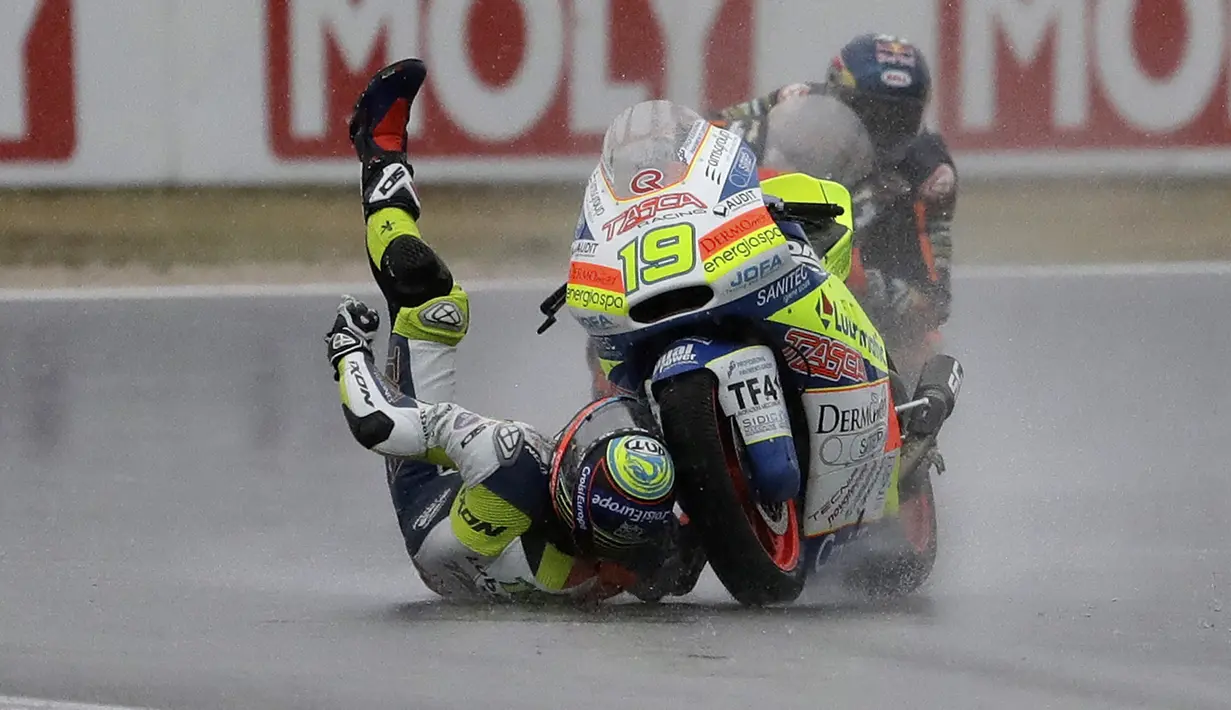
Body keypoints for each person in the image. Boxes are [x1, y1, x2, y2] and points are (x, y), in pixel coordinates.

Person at [324, 60, 703, 603]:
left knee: (434, 305)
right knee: (431, 299)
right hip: (461, 528)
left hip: (453, 531)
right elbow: (379, 423)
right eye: (619, 558)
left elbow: (377, 422)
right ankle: (381, 156)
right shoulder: (516, 461)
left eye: (629, 555)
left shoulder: (531, 470)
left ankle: (379, 156)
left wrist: (347, 349)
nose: (620, 573)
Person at [707, 33, 956, 380]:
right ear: (836, 95)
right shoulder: (792, 103)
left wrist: (865, 281)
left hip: (861, 307)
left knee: (918, 348)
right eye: (868, 111)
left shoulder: (930, 174)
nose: (879, 128)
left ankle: (905, 427)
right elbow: (709, 135)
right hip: (763, 243)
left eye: (899, 116)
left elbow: (933, 299)